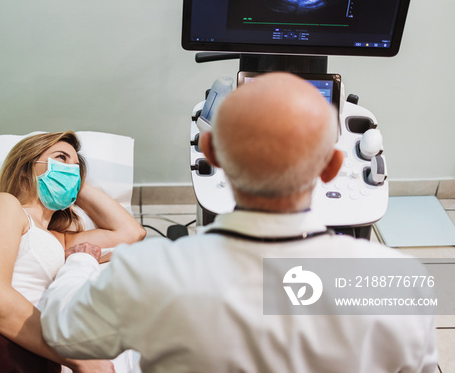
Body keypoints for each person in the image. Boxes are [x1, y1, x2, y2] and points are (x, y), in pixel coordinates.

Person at [39, 73, 438, 372]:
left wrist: (80, 263)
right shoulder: (396, 283)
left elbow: (62, 330)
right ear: (333, 166)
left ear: (211, 152)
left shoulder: (149, 273)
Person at [0, 131, 146, 373]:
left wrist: (77, 183)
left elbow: (132, 234)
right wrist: (78, 358)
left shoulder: (61, 242)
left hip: (44, 356)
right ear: (26, 167)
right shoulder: (3, 205)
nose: (71, 169)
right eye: (61, 158)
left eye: (76, 167)